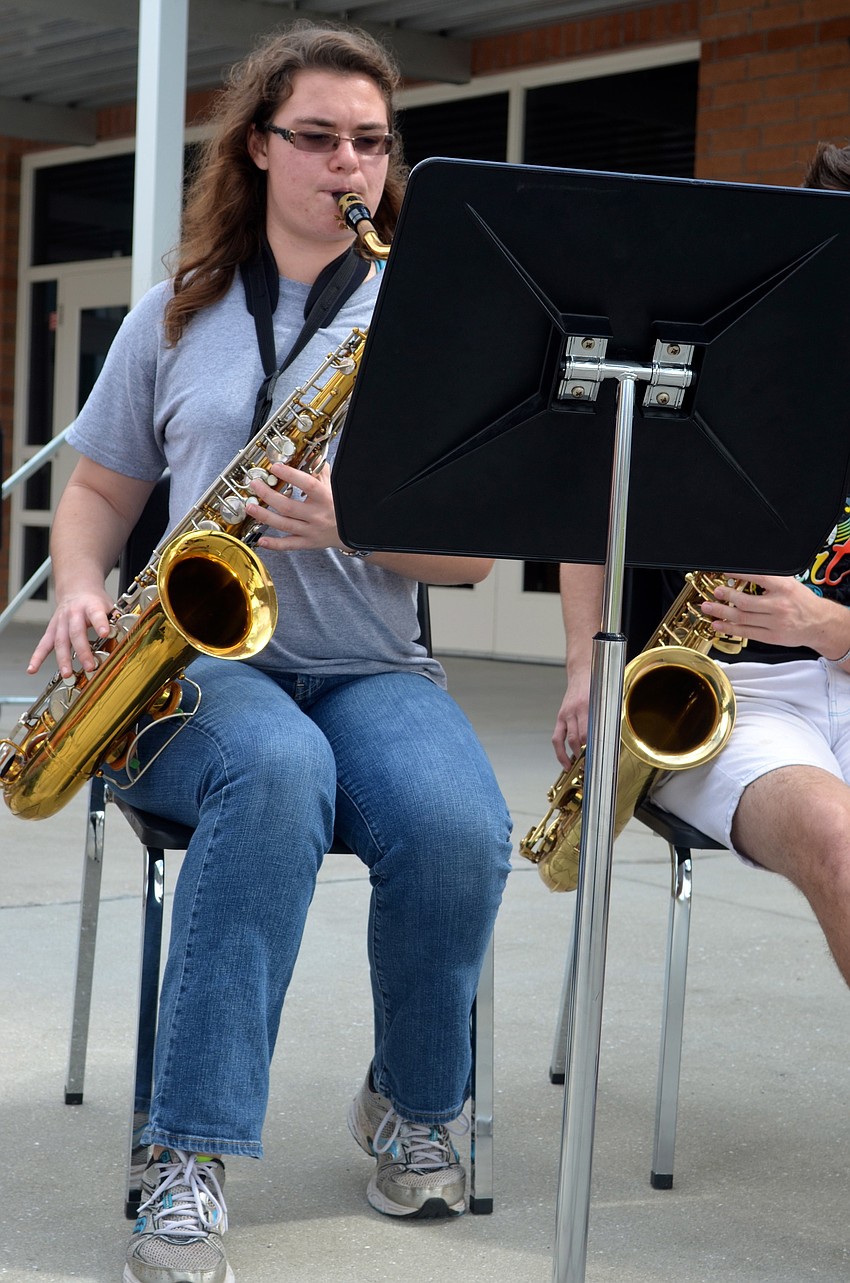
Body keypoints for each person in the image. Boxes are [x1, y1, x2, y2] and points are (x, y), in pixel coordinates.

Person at [28, 23, 512, 1283]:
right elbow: (94, 496)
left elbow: (471, 562)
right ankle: (182, 1159)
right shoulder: (174, 313)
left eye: (370, 140)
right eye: (318, 137)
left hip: (372, 666)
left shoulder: (429, 322)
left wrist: (364, 521)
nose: (348, 161)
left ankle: (413, 1101)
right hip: (197, 672)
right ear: (258, 146)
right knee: (278, 774)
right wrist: (77, 588)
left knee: (458, 822)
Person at [553, 143, 850, 988]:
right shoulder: (704, 360)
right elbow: (592, 515)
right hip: (721, 699)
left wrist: (823, 625)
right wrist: (586, 668)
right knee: (840, 843)